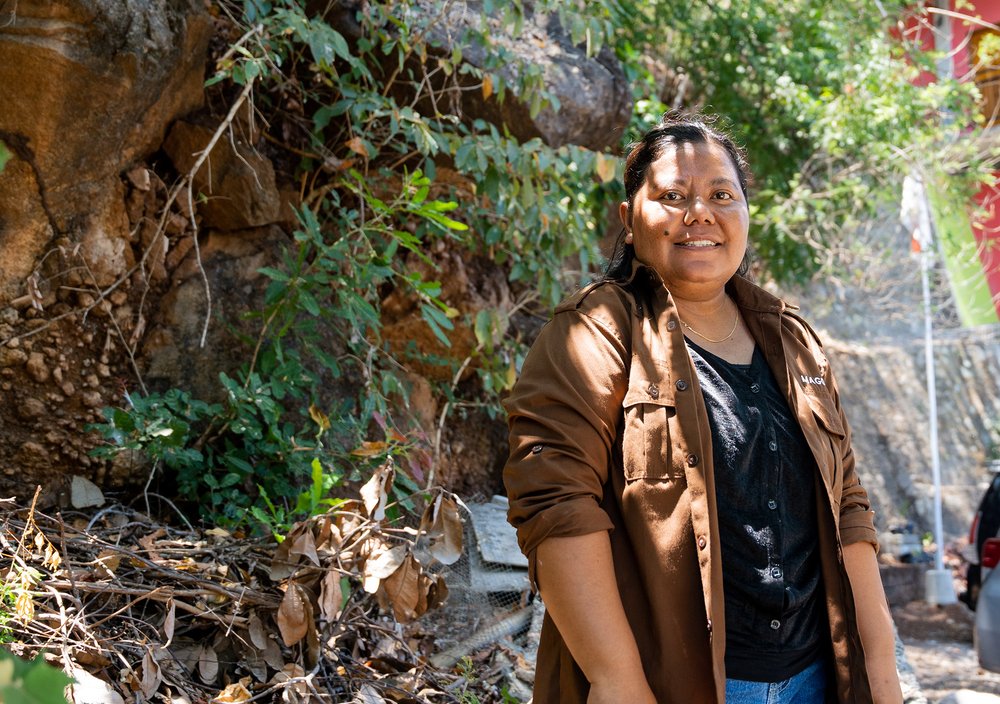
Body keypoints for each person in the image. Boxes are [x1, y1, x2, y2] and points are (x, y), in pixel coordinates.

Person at [502, 113, 902, 703]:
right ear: (629, 221)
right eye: (672, 196)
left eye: (721, 194)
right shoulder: (598, 331)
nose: (700, 213)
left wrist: (882, 668)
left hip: (816, 678)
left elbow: (848, 505)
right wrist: (618, 680)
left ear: (745, 215)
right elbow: (556, 502)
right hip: (678, 683)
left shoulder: (794, 341)